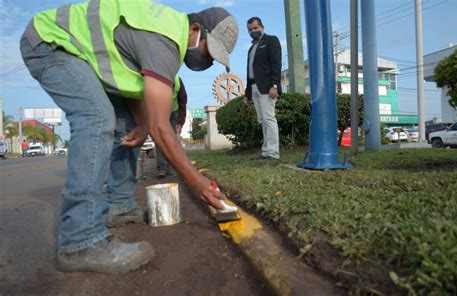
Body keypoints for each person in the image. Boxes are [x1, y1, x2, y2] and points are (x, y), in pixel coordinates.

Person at [20, 0, 238, 273]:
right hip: (50, 43)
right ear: (195, 28)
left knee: (124, 125)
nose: (206, 60)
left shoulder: (164, 33)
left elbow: (128, 82)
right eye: (209, 51)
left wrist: (141, 123)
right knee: (96, 117)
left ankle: (121, 205)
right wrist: (198, 183)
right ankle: (80, 240)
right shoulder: (165, 40)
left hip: (73, 51)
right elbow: (161, 128)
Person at [244, 17, 282, 161]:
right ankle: (266, 152)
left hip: (267, 87)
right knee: (262, 120)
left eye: (255, 28)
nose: (253, 31)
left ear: (262, 27)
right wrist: (247, 94)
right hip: (253, 87)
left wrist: (274, 85)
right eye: (250, 29)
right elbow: (249, 72)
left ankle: (273, 153)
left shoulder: (271, 41)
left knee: (269, 118)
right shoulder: (251, 49)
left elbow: (276, 64)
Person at [155, 76, 187, 178]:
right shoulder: (155, 83)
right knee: (161, 139)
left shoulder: (178, 82)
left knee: (172, 140)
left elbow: (183, 103)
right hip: (159, 111)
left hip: (174, 112)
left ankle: (172, 167)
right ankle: (161, 169)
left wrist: (180, 122)